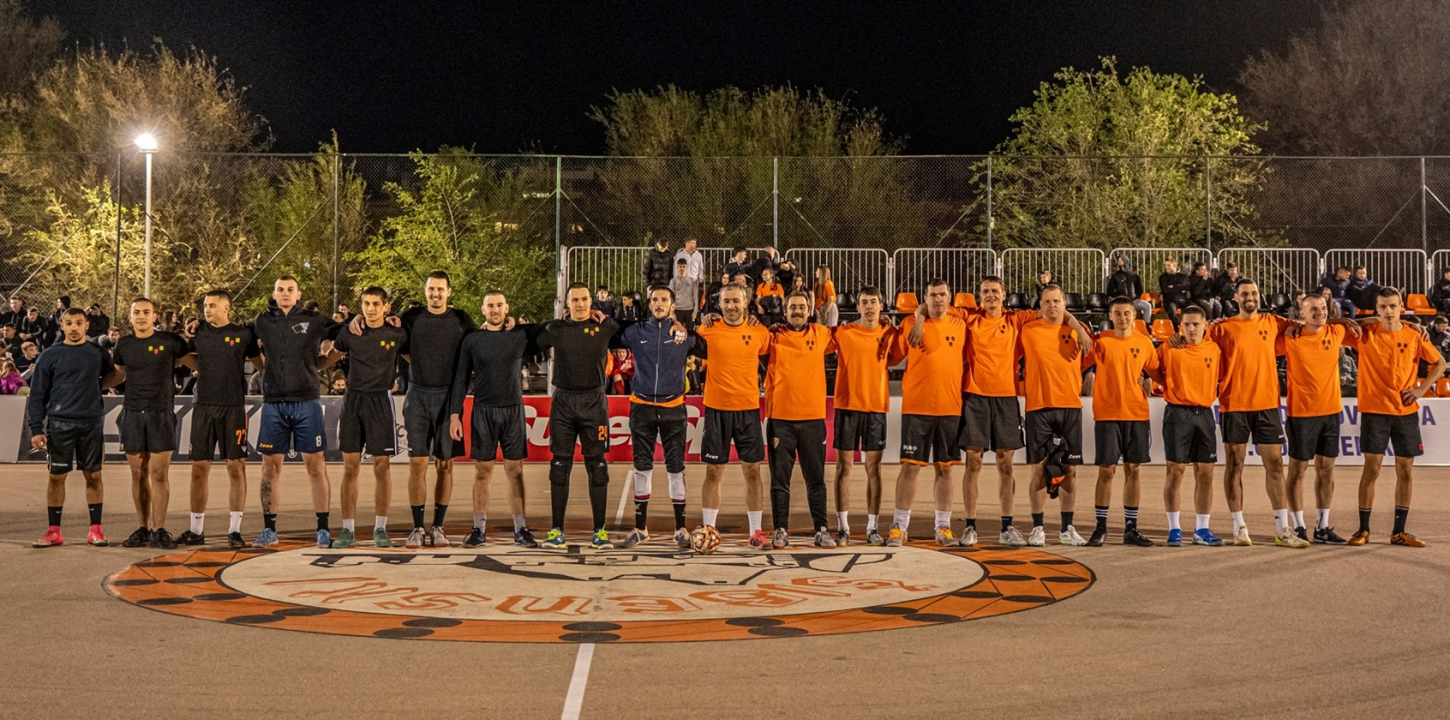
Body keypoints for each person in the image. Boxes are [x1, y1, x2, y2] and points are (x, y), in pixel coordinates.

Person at [1203, 281, 1305, 548]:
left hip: (1267, 404)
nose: (1250, 297)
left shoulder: (1273, 322)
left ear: (1259, 296)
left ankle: (1283, 530)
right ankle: (1239, 527)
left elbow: (1308, 324)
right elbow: (1194, 339)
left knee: (1274, 466)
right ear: (1236, 297)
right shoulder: (1221, 328)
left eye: (1254, 293)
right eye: (1245, 294)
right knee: (1234, 466)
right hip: (1233, 404)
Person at [252, 276, 348, 549]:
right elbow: (242, 340)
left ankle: (322, 528)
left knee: (315, 465)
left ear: (298, 294)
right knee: (270, 467)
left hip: (306, 401)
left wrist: (322, 363)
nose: (285, 293)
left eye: (290, 290)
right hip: (273, 403)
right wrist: (265, 369)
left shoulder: (314, 320)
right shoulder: (262, 321)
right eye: (280, 289)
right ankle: (269, 530)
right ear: (274, 293)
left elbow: (345, 333)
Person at [448, 291, 546, 548]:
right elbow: (460, 378)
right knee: (483, 471)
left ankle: (521, 529)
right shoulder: (472, 339)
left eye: (499, 306)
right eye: (490, 305)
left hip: (513, 410)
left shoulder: (519, 335)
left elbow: (545, 330)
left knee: (515, 470)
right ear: (483, 310)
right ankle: (479, 529)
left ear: (507, 308)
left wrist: (519, 323)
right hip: (483, 411)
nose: (495, 310)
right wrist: (455, 414)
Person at [1350, 287, 1445, 547]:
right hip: (1374, 411)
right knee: (1372, 469)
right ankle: (1363, 530)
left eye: (1393, 306)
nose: (1388, 311)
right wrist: (1370, 320)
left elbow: (1440, 364)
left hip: (1405, 413)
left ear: (1401, 306)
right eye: (1383, 306)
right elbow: (1336, 324)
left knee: (1405, 471)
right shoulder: (1365, 333)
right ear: (1376, 308)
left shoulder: (1414, 336)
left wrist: (1422, 389)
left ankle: (1399, 532)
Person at [27, 308, 120, 548]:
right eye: (69, 323)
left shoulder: (97, 352)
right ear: (62, 326)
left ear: (87, 325)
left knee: (94, 475)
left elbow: (110, 377)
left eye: (79, 323)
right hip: (59, 423)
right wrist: (36, 428)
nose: (74, 328)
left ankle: (96, 531)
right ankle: (53, 532)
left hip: (91, 422)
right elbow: (37, 395)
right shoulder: (49, 355)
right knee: (56, 477)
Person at [537, 283, 620, 550]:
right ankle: (556, 530)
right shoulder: (556, 329)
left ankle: (600, 531)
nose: (581, 304)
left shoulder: (606, 327)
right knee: (560, 467)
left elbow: (633, 327)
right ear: (567, 303)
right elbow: (528, 337)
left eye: (585, 299)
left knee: (597, 467)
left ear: (591, 302)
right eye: (576, 300)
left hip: (594, 403)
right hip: (563, 402)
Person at [323, 287, 407, 549]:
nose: (370, 309)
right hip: (353, 401)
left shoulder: (397, 333)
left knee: (382, 467)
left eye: (375, 304)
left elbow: (416, 360)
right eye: (366, 304)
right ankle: (347, 530)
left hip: (380, 402)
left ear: (386, 307)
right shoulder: (351, 331)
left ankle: (380, 529)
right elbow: (328, 359)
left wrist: (402, 379)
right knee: (350, 468)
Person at [180, 290, 263, 549]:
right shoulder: (198, 333)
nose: (207, 309)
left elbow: (260, 364)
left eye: (213, 305)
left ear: (227, 308)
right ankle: (196, 530)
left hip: (233, 407)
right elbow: (184, 355)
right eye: (205, 305)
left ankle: (235, 531)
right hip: (203, 406)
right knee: (198, 469)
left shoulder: (243, 334)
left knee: (236, 467)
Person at [888, 280, 967, 548]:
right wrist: (919, 318)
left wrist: (920, 316)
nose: (938, 300)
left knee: (945, 469)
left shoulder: (960, 323)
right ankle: (899, 526)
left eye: (943, 295)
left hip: (949, 408)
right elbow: (890, 356)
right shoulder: (910, 325)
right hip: (916, 408)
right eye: (932, 295)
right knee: (910, 467)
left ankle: (943, 528)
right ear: (925, 298)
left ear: (950, 297)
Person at [111, 298, 194, 549]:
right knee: (138, 474)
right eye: (136, 312)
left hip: (161, 413)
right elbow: (117, 375)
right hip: (133, 413)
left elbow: (195, 363)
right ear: (130, 316)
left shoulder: (170, 341)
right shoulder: (123, 344)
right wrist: (89, 384)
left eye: (146, 312)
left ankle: (159, 530)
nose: (141, 316)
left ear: (154, 316)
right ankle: (143, 528)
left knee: (159, 474)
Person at [1278, 293, 1359, 545]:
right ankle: (1299, 526)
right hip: (1302, 413)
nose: (1319, 312)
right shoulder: (1290, 338)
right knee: (1298, 471)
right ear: (1301, 313)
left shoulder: (1335, 332)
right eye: (1312, 309)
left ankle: (1322, 527)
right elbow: (1263, 329)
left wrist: (1411, 323)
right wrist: (1292, 326)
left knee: (1326, 470)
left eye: (1322, 308)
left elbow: (1369, 324)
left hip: (1331, 412)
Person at [695, 285, 772, 548]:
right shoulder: (707, 329)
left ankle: (755, 532)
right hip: (716, 408)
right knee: (714, 471)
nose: (731, 306)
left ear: (747, 303)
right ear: (719, 304)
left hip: (748, 409)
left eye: (736, 301)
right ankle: (708, 530)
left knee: (752, 471)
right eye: (726, 301)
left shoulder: (759, 332)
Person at [620, 286, 695, 549]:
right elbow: (607, 331)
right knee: (642, 467)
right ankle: (640, 528)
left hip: (674, 408)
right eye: (655, 300)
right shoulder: (635, 332)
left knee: (676, 468)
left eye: (664, 300)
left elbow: (709, 344)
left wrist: (681, 324)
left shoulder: (685, 335)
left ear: (673, 305)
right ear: (649, 304)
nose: (659, 303)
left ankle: (681, 529)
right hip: (641, 408)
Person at [1019, 285, 1094, 547]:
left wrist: (1078, 326)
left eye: (1057, 301)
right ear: (1040, 304)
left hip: (1070, 406)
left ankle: (1066, 528)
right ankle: (1038, 527)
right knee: (1038, 469)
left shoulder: (1077, 330)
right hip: (1038, 407)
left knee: (1070, 470)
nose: (1052, 305)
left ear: (1064, 303)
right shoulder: (1027, 329)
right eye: (1047, 301)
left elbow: (1086, 363)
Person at [763, 291, 837, 548]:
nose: (797, 311)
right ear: (784, 311)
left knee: (816, 479)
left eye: (801, 307)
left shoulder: (821, 333)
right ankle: (780, 529)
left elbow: (853, 332)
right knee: (779, 480)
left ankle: (822, 529)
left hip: (813, 419)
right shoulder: (772, 336)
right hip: (780, 419)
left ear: (809, 311)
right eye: (792, 307)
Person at [1146, 305, 1223, 546]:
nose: (1191, 328)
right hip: (1177, 414)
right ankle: (1174, 528)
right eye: (1186, 324)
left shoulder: (1214, 349)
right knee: (1175, 472)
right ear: (1180, 326)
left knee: (1206, 474)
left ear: (1205, 325)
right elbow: (1153, 370)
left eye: (1195, 324)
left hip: (1204, 414)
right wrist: (1170, 383)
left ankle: (1202, 529)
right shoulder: (1169, 347)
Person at [1086, 297, 1160, 547]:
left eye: (1127, 313)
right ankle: (1100, 527)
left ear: (1135, 315)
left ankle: (1131, 528)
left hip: (1136, 413)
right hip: (1107, 414)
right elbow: (1077, 362)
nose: (1122, 318)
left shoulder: (1144, 342)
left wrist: (1147, 383)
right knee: (1107, 470)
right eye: (1117, 313)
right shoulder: (1101, 341)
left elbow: (1156, 372)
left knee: (1134, 470)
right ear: (1110, 315)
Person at [831, 286, 898, 546]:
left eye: (873, 302)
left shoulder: (889, 332)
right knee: (844, 468)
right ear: (857, 307)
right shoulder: (844, 333)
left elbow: (905, 347)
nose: (869, 306)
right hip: (847, 407)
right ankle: (843, 527)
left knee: (874, 470)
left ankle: (872, 527)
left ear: (881, 306)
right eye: (864, 302)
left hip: (876, 409)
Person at [1158, 258, 1191, 329]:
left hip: (1183, 299)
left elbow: (1187, 287)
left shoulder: (1184, 276)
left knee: (1193, 309)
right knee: (1171, 311)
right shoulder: (1163, 277)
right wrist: (1180, 289)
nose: (1166, 267)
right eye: (1166, 265)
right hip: (1170, 300)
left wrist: (1174, 286)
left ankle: (1188, 327)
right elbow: (1165, 290)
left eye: (1169, 265)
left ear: (1175, 266)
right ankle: (1176, 329)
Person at [669, 259, 700, 328]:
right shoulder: (673, 281)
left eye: (684, 266)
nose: (682, 268)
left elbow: (695, 296)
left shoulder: (692, 281)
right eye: (680, 266)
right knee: (678, 332)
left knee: (690, 331)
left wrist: (695, 311)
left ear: (687, 267)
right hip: (678, 310)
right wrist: (672, 312)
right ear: (677, 267)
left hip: (689, 309)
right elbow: (671, 298)